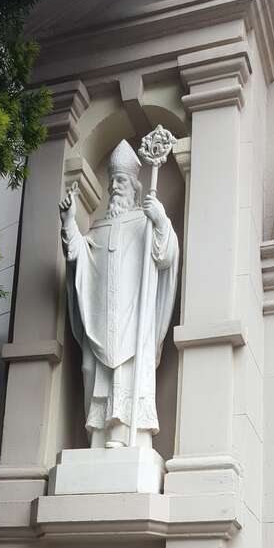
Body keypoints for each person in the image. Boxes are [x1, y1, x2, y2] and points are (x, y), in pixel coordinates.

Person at [59, 138, 178, 449]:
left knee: (127, 375)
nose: (115, 187)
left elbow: (165, 257)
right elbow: (78, 257)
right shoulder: (98, 228)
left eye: (122, 181)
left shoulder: (145, 223)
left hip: (132, 322)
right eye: (113, 181)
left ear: (135, 186)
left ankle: (126, 437)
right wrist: (70, 223)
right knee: (91, 369)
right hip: (101, 323)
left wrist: (161, 220)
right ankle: (97, 436)